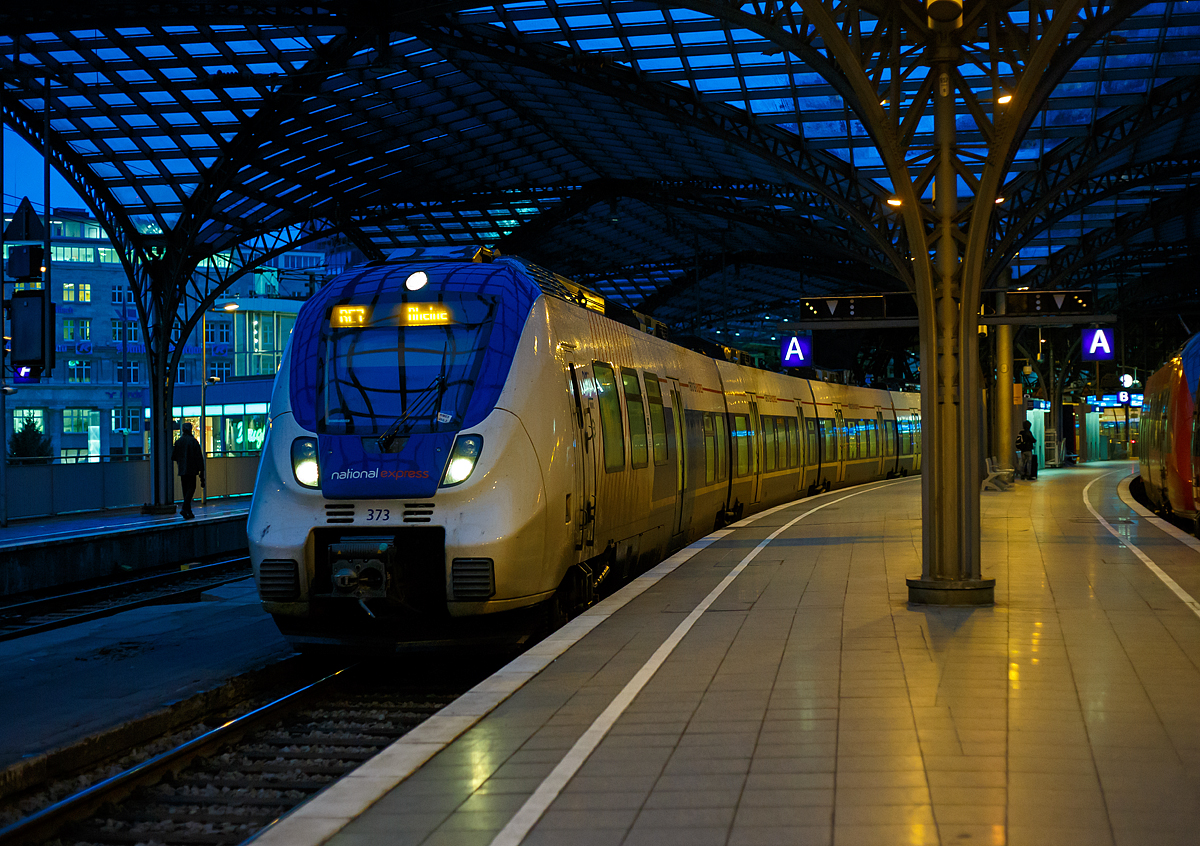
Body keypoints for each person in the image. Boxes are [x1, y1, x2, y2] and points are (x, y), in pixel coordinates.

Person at [172, 421, 205, 518]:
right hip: (192, 469)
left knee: (185, 491)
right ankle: (184, 508)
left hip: (182, 470)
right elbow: (199, 458)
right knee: (191, 488)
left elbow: (173, 456)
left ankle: (188, 512)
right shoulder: (193, 442)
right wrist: (201, 471)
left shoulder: (178, 442)